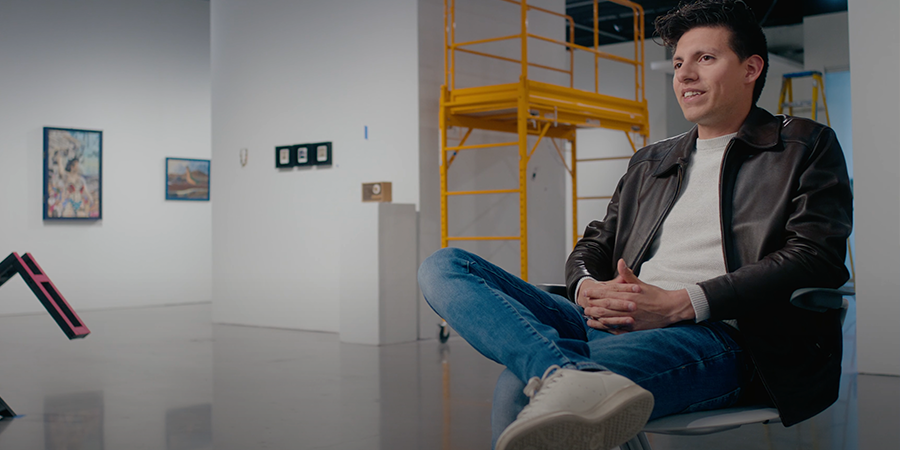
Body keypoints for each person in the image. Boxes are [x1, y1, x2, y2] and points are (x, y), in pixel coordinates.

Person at [417, 1, 853, 449]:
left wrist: (680, 304)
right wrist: (587, 289)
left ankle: (565, 375)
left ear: (751, 68)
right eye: (679, 62)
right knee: (445, 265)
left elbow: (813, 257)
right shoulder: (651, 161)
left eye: (705, 58)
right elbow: (594, 244)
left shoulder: (803, 144)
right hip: (614, 318)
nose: (683, 75)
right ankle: (565, 373)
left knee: (517, 388)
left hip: (721, 333)